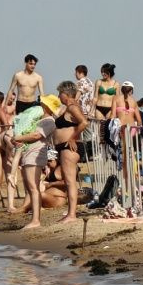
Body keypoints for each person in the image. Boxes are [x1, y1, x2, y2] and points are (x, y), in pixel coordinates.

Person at [11, 95, 61, 230]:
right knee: (31, 187)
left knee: (33, 187)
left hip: (35, 155)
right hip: (31, 154)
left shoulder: (49, 121)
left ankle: (36, 220)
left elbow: (36, 136)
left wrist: (18, 137)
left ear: (46, 106)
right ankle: (34, 218)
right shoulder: (43, 119)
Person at [53, 80, 90, 223]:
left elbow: (84, 122)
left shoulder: (72, 107)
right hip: (66, 147)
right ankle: (70, 213)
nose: (58, 96)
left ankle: (72, 215)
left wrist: (73, 138)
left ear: (66, 94)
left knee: (70, 182)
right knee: (69, 181)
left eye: (59, 93)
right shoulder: (71, 106)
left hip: (70, 148)